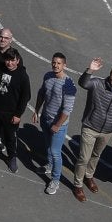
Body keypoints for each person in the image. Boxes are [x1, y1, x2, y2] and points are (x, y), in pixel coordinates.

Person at [70, 59, 112, 201]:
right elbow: (83, 83)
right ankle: (78, 185)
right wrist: (90, 70)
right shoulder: (97, 83)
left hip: (107, 131)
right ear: (110, 74)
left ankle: (88, 176)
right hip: (90, 127)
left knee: (96, 155)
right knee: (84, 158)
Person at [33, 53, 78, 195]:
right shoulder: (48, 76)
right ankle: (49, 165)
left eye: (59, 63)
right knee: (48, 145)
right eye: (54, 62)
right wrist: (36, 110)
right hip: (46, 119)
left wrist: (58, 125)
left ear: (64, 65)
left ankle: (55, 180)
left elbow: (67, 110)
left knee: (55, 152)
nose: (55, 65)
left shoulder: (68, 84)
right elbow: (41, 93)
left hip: (58, 124)